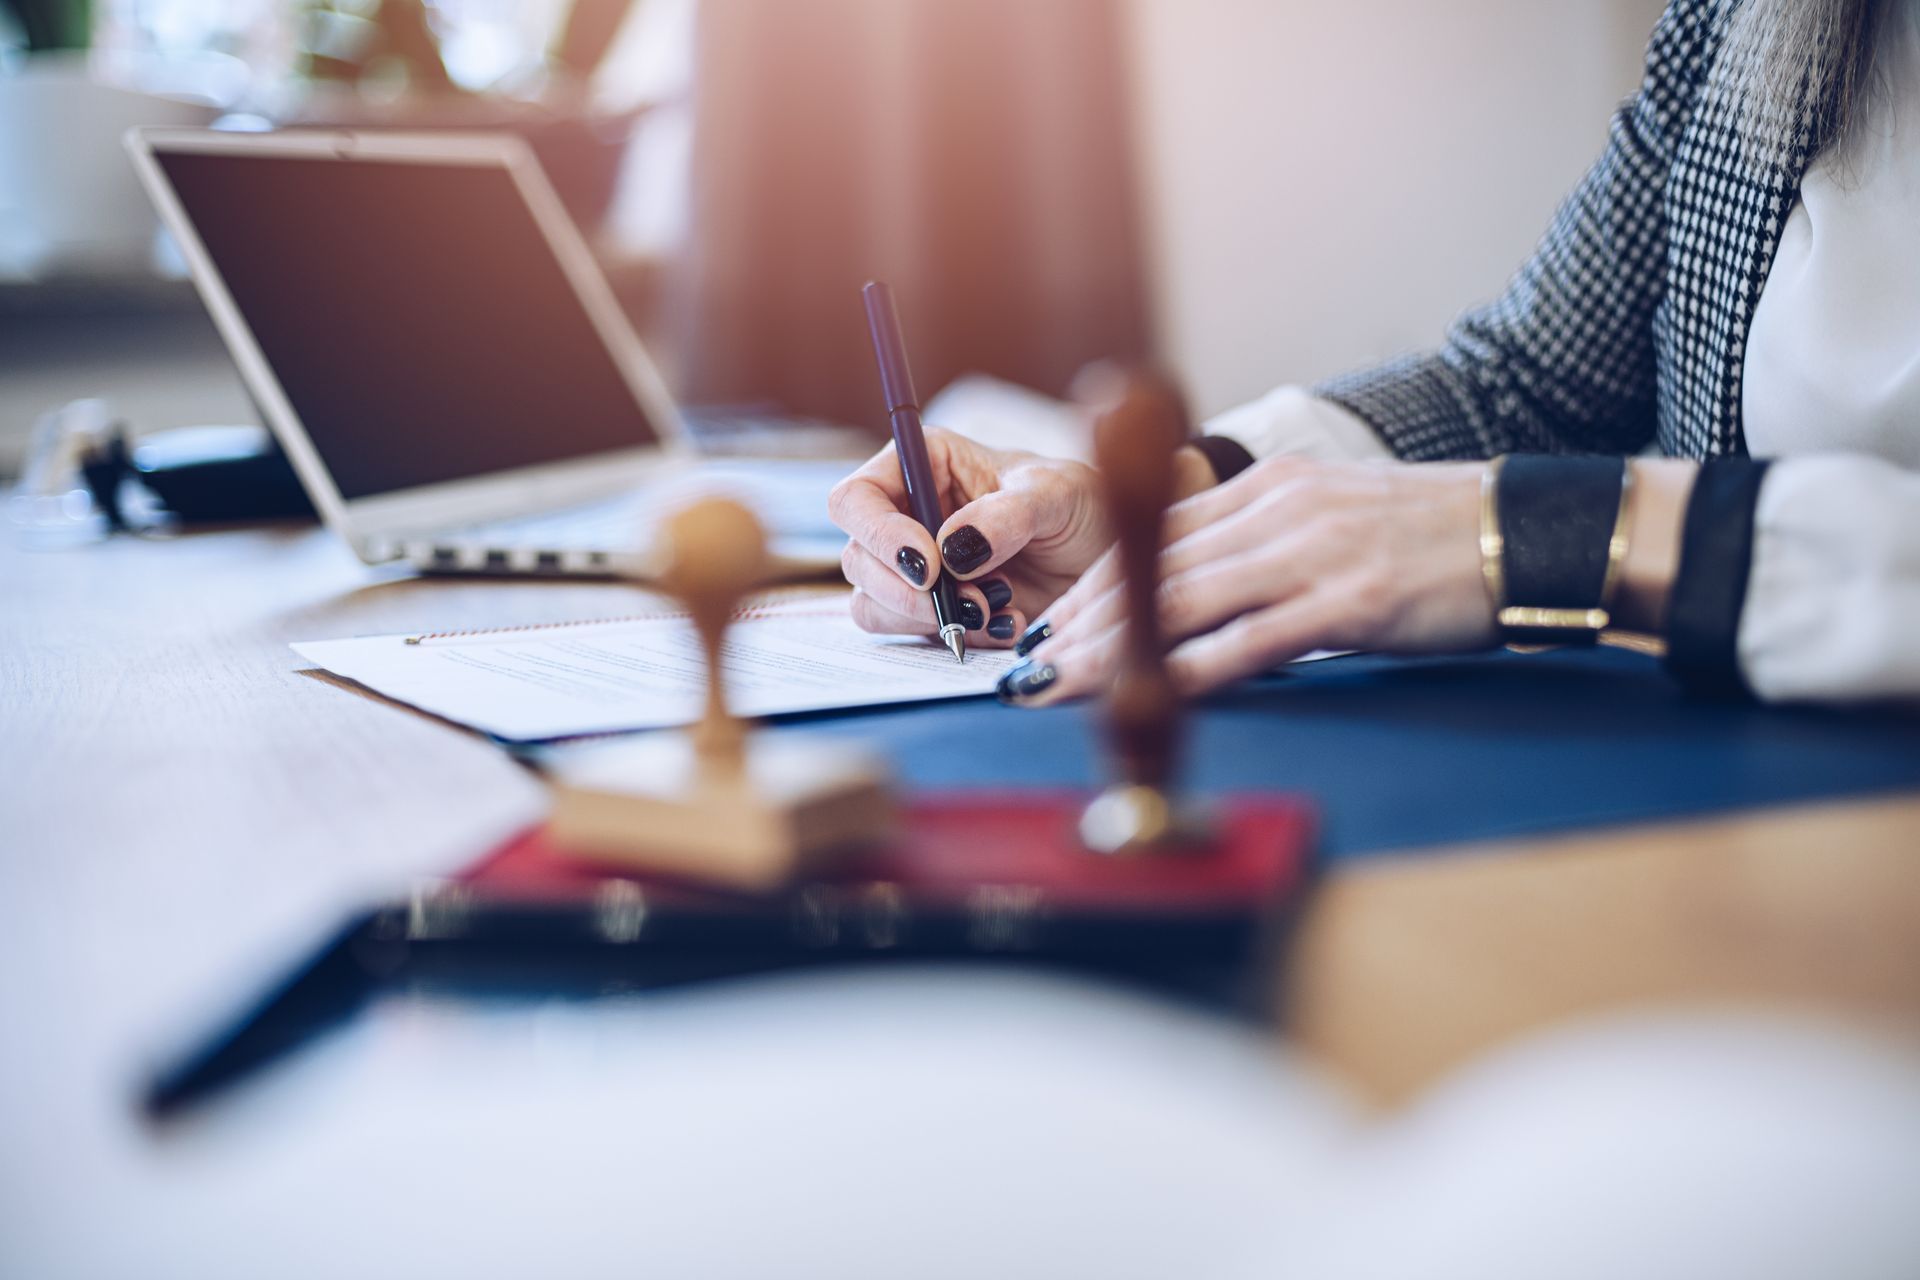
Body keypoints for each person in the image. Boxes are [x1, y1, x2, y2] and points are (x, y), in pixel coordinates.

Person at [828, 0, 1920, 706]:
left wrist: (1538, 535)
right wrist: (1172, 512)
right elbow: (1529, 385)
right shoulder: (1751, 19)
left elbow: (1524, 497)